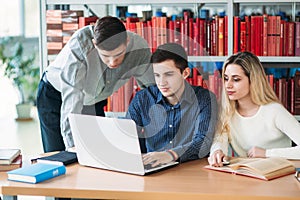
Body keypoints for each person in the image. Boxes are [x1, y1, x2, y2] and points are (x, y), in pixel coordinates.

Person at [37, 16, 154, 153]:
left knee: (97, 155)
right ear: (94, 44)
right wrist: (71, 147)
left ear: (127, 41)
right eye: (105, 56)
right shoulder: (80, 46)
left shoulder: (138, 48)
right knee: (59, 156)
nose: (112, 63)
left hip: (94, 100)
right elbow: (73, 99)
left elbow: (151, 90)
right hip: (56, 96)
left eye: (118, 55)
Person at [126, 43, 218, 167]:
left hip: (191, 171)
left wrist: (171, 155)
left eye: (168, 74)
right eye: (157, 75)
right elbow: (127, 136)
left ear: (185, 73)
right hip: (153, 171)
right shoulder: (142, 99)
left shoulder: (204, 99)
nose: (161, 82)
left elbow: (203, 142)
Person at [208, 51, 300, 167]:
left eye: (236, 79)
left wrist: (266, 153)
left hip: (278, 176)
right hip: (247, 175)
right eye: (226, 78)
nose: (228, 85)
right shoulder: (227, 112)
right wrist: (217, 151)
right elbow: (219, 140)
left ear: (253, 80)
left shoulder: (274, 111)